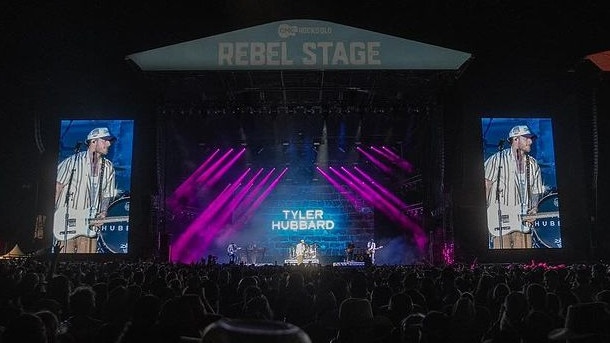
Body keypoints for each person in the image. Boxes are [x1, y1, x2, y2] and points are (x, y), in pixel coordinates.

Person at [54, 127, 117, 253]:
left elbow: (107, 195)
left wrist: (103, 212)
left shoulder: (109, 167)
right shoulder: (73, 161)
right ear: (93, 141)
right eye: (105, 140)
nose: (108, 144)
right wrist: (54, 216)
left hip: (89, 225)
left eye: (109, 141)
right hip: (67, 222)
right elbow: (57, 187)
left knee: (86, 262)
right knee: (63, 261)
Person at [484, 125, 544, 249]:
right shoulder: (497, 160)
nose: (530, 141)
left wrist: (534, 208)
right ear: (516, 139)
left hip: (522, 221)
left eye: (531, 138)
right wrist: (485, 213)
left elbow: (535, 191)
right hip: (500, 219)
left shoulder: (532, 164)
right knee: (501, 259)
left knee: (525, 260)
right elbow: (486, 185)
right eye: (527, 138)